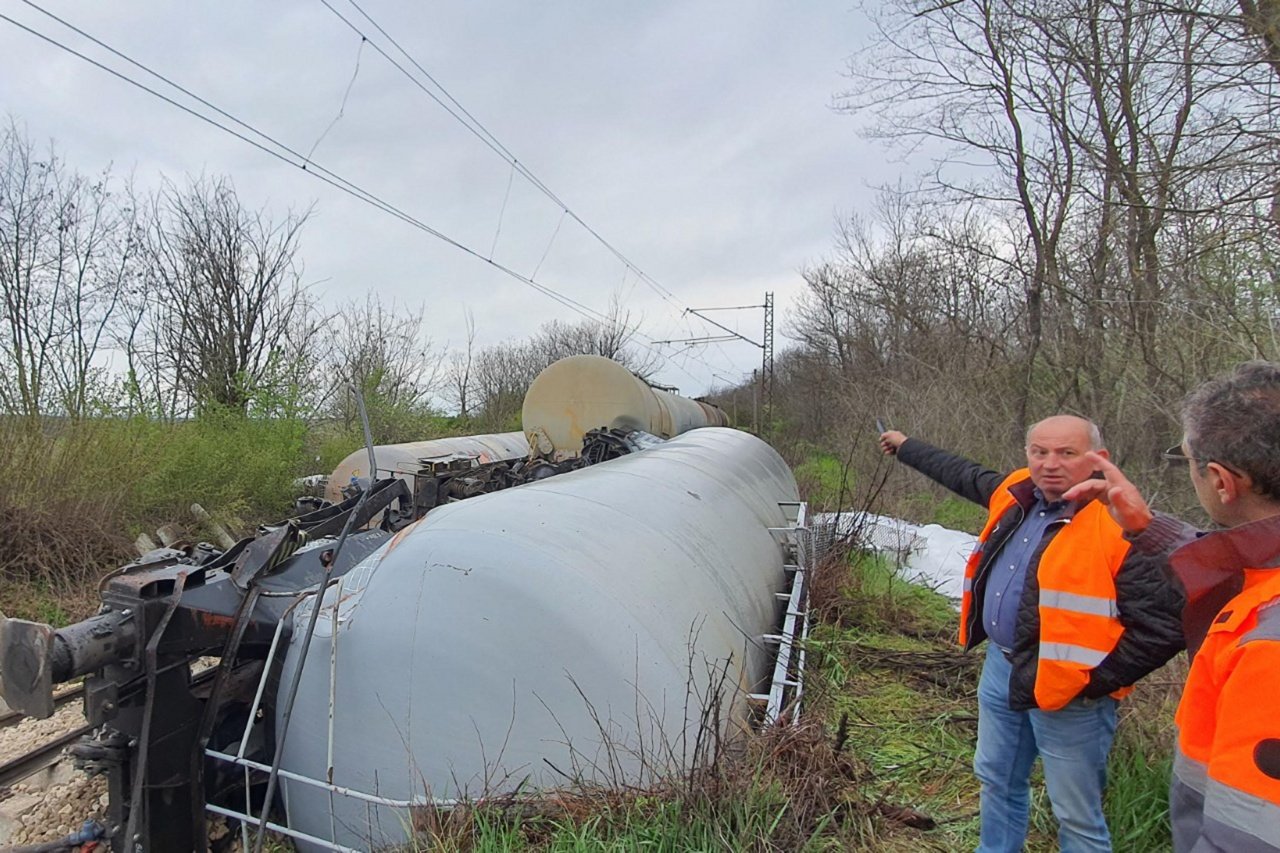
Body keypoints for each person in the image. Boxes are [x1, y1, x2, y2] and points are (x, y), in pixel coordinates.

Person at [880, 416, 1185, 852]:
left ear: (1099, 459)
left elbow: (1164, 627)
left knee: (1075, 814)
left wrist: (1094, 680)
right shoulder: (1017, 493)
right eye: (1039, 452)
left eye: (1066, 453)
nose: (1050, 464)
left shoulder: (1120, 525)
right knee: (997, 779)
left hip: (1071, 693)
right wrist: (906, 445)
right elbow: (964, 474)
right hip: (1003, 668)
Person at [1062, 361, 1280, 852]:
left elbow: (1248, 838)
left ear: (1223, 481)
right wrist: (1147, 527)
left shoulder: (1266, 644)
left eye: (1188, 462)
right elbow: (1247, 565)